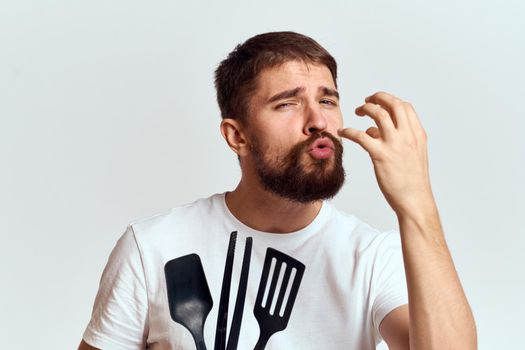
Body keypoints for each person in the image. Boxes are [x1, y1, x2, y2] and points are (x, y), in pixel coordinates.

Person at [78, 31, 477, 350]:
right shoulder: (153, 248)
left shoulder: (371, 257)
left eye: (327, 99)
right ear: (237, 136)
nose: (318, 120)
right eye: (287, 104)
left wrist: (417, 205)